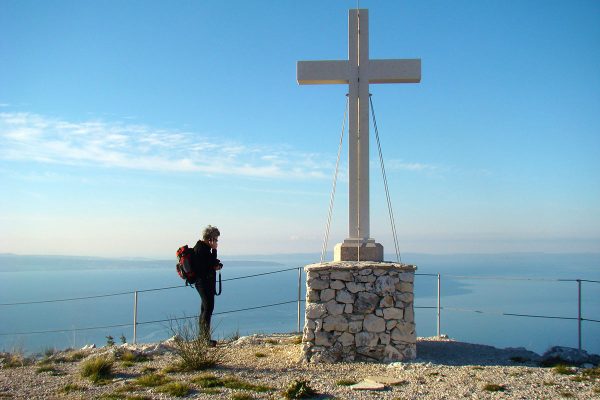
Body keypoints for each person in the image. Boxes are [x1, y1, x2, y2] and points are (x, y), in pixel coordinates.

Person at [192, 225, 222, 346]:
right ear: (210, 239)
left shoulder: (201, 248)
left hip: (203, 282)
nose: (216, 242)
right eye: (216, 239)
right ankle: (205, 339)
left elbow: (210, 264)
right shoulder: (202, 249)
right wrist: (214, 250)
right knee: (208, 309)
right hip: (203, 283)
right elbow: (211, 263)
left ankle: (202, 337)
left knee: (205, 309)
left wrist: (215, 264)